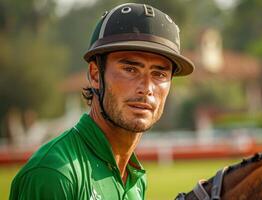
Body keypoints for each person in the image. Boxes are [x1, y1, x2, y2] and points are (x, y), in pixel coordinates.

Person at [9, 3, 194, 200]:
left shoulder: (135, 178)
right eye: (130, 70)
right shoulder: (54, 173)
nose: (146, 88)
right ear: (96, 75)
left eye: (159, 74)